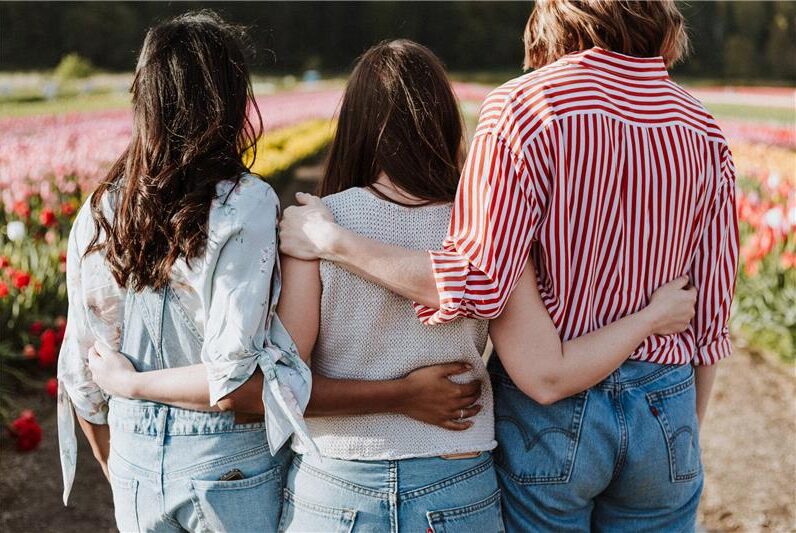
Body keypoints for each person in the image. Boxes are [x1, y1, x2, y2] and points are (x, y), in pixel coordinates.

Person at [92, 38, 697, 532]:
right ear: (443, 122)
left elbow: (288, 372)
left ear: (355, 126)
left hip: (337, 479)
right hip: (457, 474)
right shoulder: (485, 225)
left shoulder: (318, 222)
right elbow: (533, 361)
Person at [278, 2, 740, 531]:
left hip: (557, 412)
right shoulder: (701, 124)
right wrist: (684, 433)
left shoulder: (526, 106)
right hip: (668, 400)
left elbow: (479, 279)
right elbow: (711, 308)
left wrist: (335, 242)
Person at [57, 11, 312, 532]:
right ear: (228, 99)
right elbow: (229, 376)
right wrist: (136, 389)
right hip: (225, 462)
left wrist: (121, 461)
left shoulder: (100, 210)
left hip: (132, 460)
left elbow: (83, 378)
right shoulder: (245, 202)